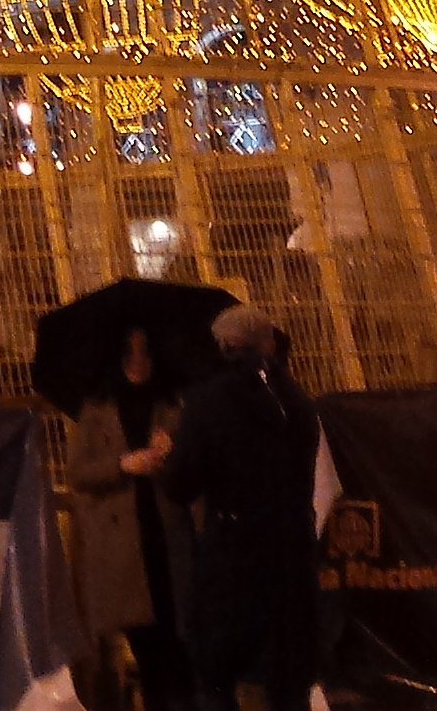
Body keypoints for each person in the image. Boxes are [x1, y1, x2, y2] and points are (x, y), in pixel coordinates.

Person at [145, 300, 321, 711]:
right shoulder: (296, 401)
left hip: (234, 554)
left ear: (223, 345)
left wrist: (166, 457)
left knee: (217, 670)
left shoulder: (208, 402)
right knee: (288, 674)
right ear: (269, 344)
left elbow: (181, 484)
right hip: (292, 550)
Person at [66, 320, 192, 711]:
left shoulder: (173, 404)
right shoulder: (97, 407)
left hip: (167, 536)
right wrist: (123, 464)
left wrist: (173, 450)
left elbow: (196, 467)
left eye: (145, 351)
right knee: (147, 640)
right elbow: (79, 472)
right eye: (129, 352)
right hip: (126, 545)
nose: (138, 361)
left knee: (179, 641)